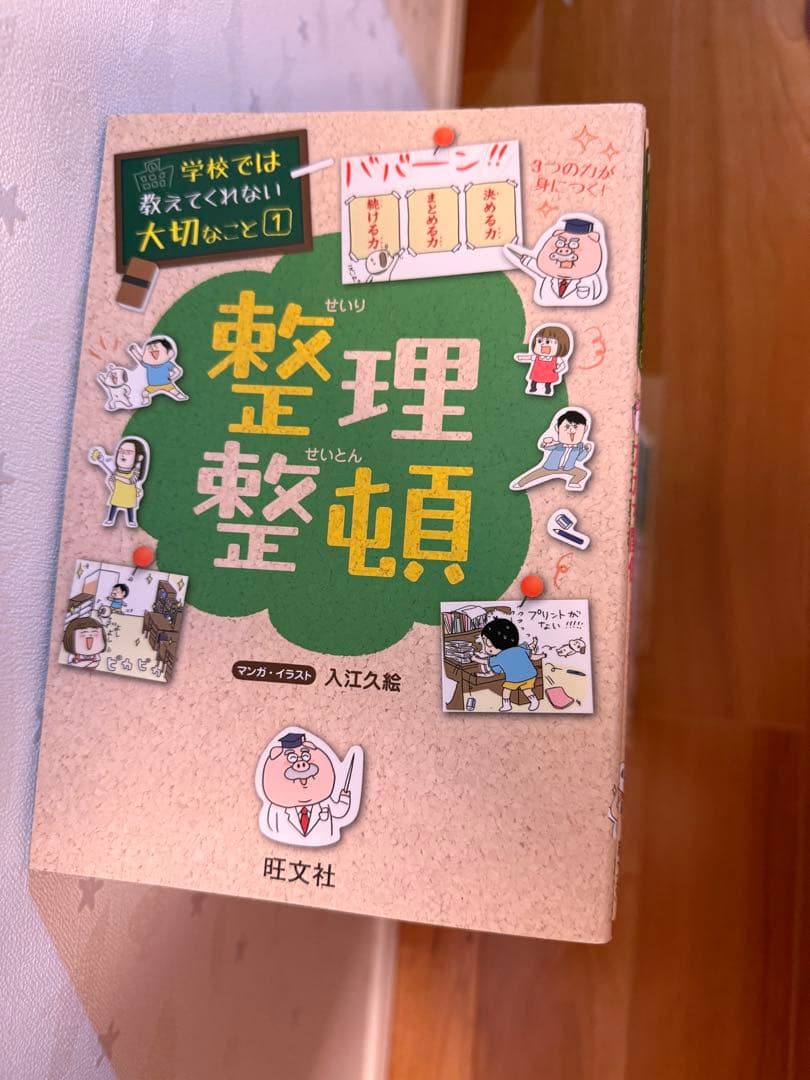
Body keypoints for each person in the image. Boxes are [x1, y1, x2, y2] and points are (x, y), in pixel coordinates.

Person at [504, 215, 608, 306]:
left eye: (574, 245)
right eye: (560, 243)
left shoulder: (591, 280)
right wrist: (509, 246)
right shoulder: (546, 272)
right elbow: (524, 260)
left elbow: (598, 295)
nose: (564, 251)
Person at [510, 408, 594, 492]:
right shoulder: (557, 445)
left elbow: (580, 458)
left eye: (576, 427)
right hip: (550, 467)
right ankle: (520, 483)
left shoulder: (578, 448)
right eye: (567, 427)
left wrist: (586, 450)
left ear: (585, 429)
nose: (571, 431)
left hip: (569, 469)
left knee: (582, 473)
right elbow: (545, 447)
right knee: (535, 475)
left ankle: (573, 483)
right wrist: (545, 443)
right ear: (557, 428)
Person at [479, 618, 540, 712]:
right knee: (527, 690)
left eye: (488, 645)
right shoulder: (519, 649)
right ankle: (534, 701)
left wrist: (474, 659)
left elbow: (486, 662)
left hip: (515, 679)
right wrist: (541, 654)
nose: (486, 648)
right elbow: (531, 654)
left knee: (506, 691)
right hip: (530, 675)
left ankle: (507, 705)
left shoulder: (499, 657)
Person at [88, 437, 150, 527]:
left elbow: (131, 481)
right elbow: (110, 481)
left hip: (129, 494)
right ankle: (110, 519)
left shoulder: (134, 472)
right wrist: (113, 488)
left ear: (138, 457)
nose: (123, 455)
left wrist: (118, 477)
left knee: (130, 507)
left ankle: (131, 520)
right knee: (114, 506)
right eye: (121, 451)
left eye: (128, 452)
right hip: (118, 494)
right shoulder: (116, 472)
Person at [126, 335, 187, 405]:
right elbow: (140, 359)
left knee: (175, 391)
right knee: (144, 393)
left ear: (170, 353)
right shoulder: (148, 365)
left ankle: (180, 396)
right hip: (153, 386)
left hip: (166, 384)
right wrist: (134, 351)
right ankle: (145, 400)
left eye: (156, 349)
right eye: (148, 352)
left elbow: (177, 371)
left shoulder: (167, 364)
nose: (152, 348)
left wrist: (172, 378)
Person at [514, 324, 572, 395]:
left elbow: (562, 365)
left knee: (548, 381)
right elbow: (529, 357)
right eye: (539, 341)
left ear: (561, 346)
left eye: (548, 342)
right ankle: (533, 387)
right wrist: (521, 357)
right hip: (537, 373)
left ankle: (548, 388)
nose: (543, 345)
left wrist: (558, 370)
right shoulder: (537, 357)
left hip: (549, 373)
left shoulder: (556, 359)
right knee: (534, 380)